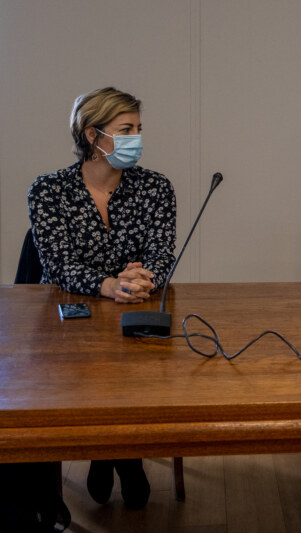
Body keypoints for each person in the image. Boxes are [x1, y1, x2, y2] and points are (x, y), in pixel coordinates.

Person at [28, 87, 176, 509]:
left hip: (138, 308)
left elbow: (162, 253)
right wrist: (110, 285)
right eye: (125, 129)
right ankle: (117, 455)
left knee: (140, 371)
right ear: (93, 136)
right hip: (70, 319)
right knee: (89, 374)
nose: (137, 139)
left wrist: (143, 278)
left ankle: (117, 453)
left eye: (139, 129)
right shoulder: (48, 191)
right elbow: (58, 266)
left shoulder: (156, 187)